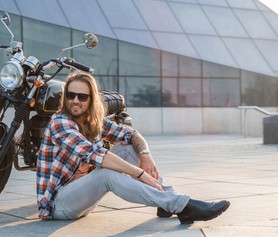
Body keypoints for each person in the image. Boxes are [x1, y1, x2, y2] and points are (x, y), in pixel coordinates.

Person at [36, 72, 230, 224]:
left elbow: (131, 134)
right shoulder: (60, 122)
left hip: (82, 198)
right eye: (70, 95)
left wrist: (145, 155)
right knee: (106, 174)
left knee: (127, 146)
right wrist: (139, 174)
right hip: (58, 205)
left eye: (82, 96)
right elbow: (96, 155)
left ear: (91, 100)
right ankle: (180, 205)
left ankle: (166, 202)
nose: (75, 101)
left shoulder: (93, 121)